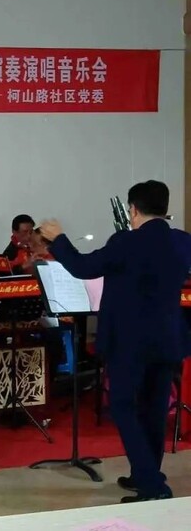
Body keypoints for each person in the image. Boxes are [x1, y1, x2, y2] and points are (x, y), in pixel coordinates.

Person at [39, 180, 191, 503]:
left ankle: (152, 485)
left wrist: (59, 239)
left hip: (129, 341)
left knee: (123, 407)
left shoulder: (126, 242)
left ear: (133, 210)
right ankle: (145, 474)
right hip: (167, 339)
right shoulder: (183, 241)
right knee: (154, 410)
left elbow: (83, 267)